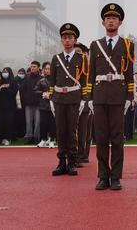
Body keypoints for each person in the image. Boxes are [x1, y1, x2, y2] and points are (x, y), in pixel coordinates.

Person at [88, 4, 135, 190]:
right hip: (99, 97)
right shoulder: (95, 44)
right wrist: (89, 98)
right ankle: (102, 176)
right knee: (100, 138)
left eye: (115, 18)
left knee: (117, 138)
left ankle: (115, 176)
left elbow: (130, 73)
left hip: (118, 96)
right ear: (103, 22)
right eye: (108, 18)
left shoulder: (127, 45)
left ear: (120, 22)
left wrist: (130, 97)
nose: (111, 20)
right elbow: (91, 73)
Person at [49, 24, 89, 176]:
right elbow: (52, 81)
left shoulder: (82, 58)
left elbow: (85, 80)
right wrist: (51, 99)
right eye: (64, 38)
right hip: (59, 98)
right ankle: (61, 162)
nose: (67, 41)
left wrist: (85, 99)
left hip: (74, 99)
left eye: (70, 38)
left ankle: (72, 162)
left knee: (72, 131)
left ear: (75, 40)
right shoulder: (56, 58)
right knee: (60, 131)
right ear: (61, 40)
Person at [75, 42, 93, 164]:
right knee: (75, 130)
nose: (78, 55)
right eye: (75, 53)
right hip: (74, 102)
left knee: (85, 130)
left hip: (88, 102)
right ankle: (76, 154)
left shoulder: (91, 68)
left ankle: (83, 154)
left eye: (80, 53)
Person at [0, 67, 19, 146]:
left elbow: (14, 92)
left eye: (6, 72)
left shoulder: (13, 81)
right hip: (0, 105)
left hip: (10, 105)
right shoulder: (0, 81)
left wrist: (6, 88)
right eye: (3, 71)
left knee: (8, 122)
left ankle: (8, 138)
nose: (5, 73)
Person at [20, 61, 42, 144]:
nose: (32, 68)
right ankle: (28, 137)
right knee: (28, 121)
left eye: (34, 66)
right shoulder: (27, 77)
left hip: (38, 104)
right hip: (28, 103)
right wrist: (25, 99)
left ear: (38, 68)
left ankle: (37, 137)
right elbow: (22, 89)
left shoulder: (41, 78)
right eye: (31, 66)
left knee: (37, 121)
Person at [36, 62, 56, 149]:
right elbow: (35, 90)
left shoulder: (56, 80)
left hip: (53, 105)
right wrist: (43, 93)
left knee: (52, 123)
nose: (47, 71)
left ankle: (52, 140)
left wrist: (52, 95)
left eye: (49, 69)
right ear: (43, 70)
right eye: (46, 69)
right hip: (43, 105)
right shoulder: (41, 81)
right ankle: (43, 139)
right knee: (43, 123)